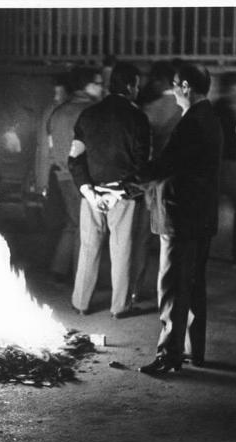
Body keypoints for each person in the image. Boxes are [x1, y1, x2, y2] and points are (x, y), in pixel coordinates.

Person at [137, 63, 223, 374]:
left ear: (186, 86)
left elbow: (168, 165)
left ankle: (168, 355)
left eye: (175, 85)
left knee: (173, 285)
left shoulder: (192, 123)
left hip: (180, 216)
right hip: (200, 216)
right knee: (194, 284)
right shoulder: (209, 118)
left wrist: (133, 174)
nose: (173, 91)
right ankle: (193, 351)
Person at [68, 62, 150, 317]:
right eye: (136, 84)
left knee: (88, 248)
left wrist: (88, 190)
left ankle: (81, 303)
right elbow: (141, 164)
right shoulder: (138, 118)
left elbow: (74, 158)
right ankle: (119, 307)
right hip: (122, 196)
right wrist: (121, 192)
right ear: (129, 86)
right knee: (122, 250)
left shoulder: (89, 115)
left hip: (91, 194)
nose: (137, 89)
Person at [46, 66, 103, 284]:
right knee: (85, 228)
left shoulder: (59, 111)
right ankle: (81, 278)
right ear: (86, 85)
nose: (101, 87)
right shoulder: (92, 110)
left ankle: (59, 268)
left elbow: (51, 145)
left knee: (72, 223)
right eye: (97, 83)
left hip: (62, 175)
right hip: (84, 177)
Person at [131, 61, 182, 302]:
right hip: (181, 179)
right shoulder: (185, 107)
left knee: (142, 238)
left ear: (161, 81)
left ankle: (134, 289)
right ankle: (173, 291)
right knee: (175, 240)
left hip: (155, 180)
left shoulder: (152, 109)